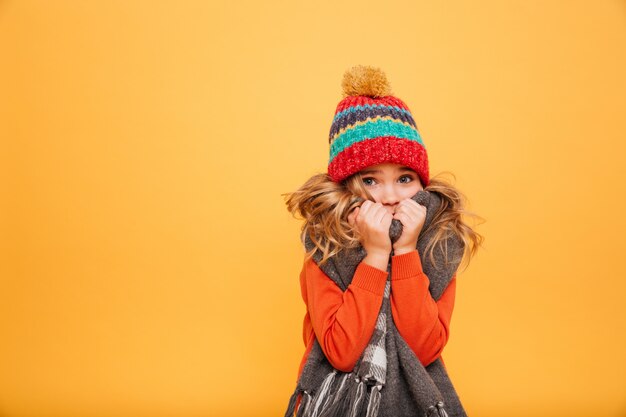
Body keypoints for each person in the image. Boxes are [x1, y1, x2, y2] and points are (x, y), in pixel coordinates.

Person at [283, 65, 484, 417]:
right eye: (371, 181)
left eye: (405, 178)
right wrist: (375, 255)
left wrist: (406, 251)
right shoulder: (325, 248)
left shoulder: (438, 245)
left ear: (422, 184)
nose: (390, 196)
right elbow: (342, 352)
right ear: (345, 187)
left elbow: (424, 350)